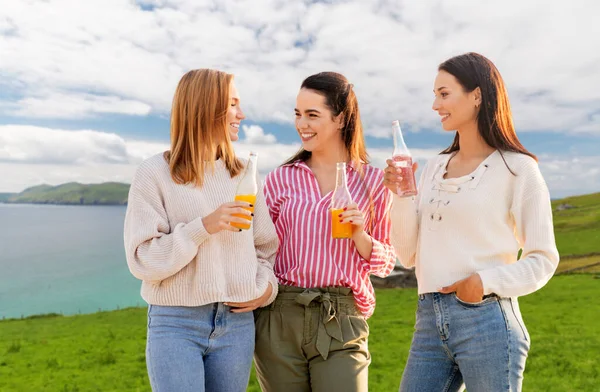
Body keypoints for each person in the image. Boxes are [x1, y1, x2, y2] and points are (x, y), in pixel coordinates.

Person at [385, 52, 560, 392]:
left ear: (477, 95)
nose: (435, 105)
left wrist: (482, 281)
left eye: (444, 93)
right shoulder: (435, 166)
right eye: (435, 95)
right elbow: (407, 256)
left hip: (487, 321)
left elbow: (543, 259)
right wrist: (402, 195)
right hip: (428, 321)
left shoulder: (518, 169)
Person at [123, 68, 279, 392]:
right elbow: (142, 260)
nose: (242, 113)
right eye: (233, 104)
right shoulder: (154, 173)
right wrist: (203, 227)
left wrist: (266, 289)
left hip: (236, 325)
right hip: (175, 323)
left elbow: (265, 248)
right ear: (206, 107)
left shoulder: (242, 175)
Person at [255, 72, 397, 392]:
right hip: (279, 315)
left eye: (312, 115)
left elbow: (386, 263)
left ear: (340, 119)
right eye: (298, 114)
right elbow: (260, 249)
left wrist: (361, 236)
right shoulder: (280, 179)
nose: (301, 124)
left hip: (342, 316)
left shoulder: (374, 184)